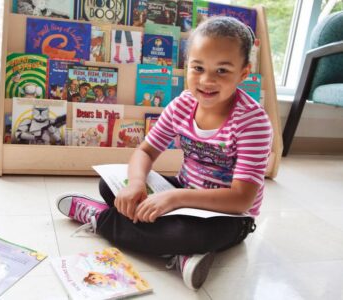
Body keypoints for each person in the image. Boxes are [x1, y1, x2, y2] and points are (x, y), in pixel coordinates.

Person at [56, 16, 272, 290]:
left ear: (243, 73)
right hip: (184, 190)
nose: (206, 80)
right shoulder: (182, 104)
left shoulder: (253, 122)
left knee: (184, 232)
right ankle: (178, 253)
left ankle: (101, 218)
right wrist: (135, 184)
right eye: (198, 68)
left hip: (228, 216)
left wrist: (175, 198)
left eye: (222, 71)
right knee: (112, 185)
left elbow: (242, 199)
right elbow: (145, 151)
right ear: (186, 66)